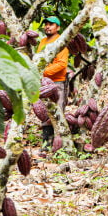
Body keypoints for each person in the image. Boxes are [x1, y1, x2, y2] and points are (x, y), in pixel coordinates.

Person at [36, 16, 69, 146]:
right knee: (44, 112)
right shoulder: (43, 41)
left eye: (51, 24)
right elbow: (39, 59)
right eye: (46, 24)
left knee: (57, 112)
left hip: (57, 83)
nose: (48, 26)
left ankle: (59, 143)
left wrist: (43, 71)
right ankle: (46, 142)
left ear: (58, 27)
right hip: (43, 82)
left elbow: (61, 64)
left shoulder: (61, 42)